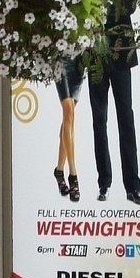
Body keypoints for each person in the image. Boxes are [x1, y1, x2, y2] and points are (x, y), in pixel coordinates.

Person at [89, 0, 140, 205]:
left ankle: (132, 187)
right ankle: (104, 182)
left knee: (126, 119)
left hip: (121, 53)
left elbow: (129, 8)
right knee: (99, 121)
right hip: (96, 54)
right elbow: (89, 9)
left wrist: (114, 0)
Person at [53, 57, 82, 203]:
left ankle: (59, 171)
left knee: (68, 119)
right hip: (59, 59)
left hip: (79, 61)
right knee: (69, 112)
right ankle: (73, 175)